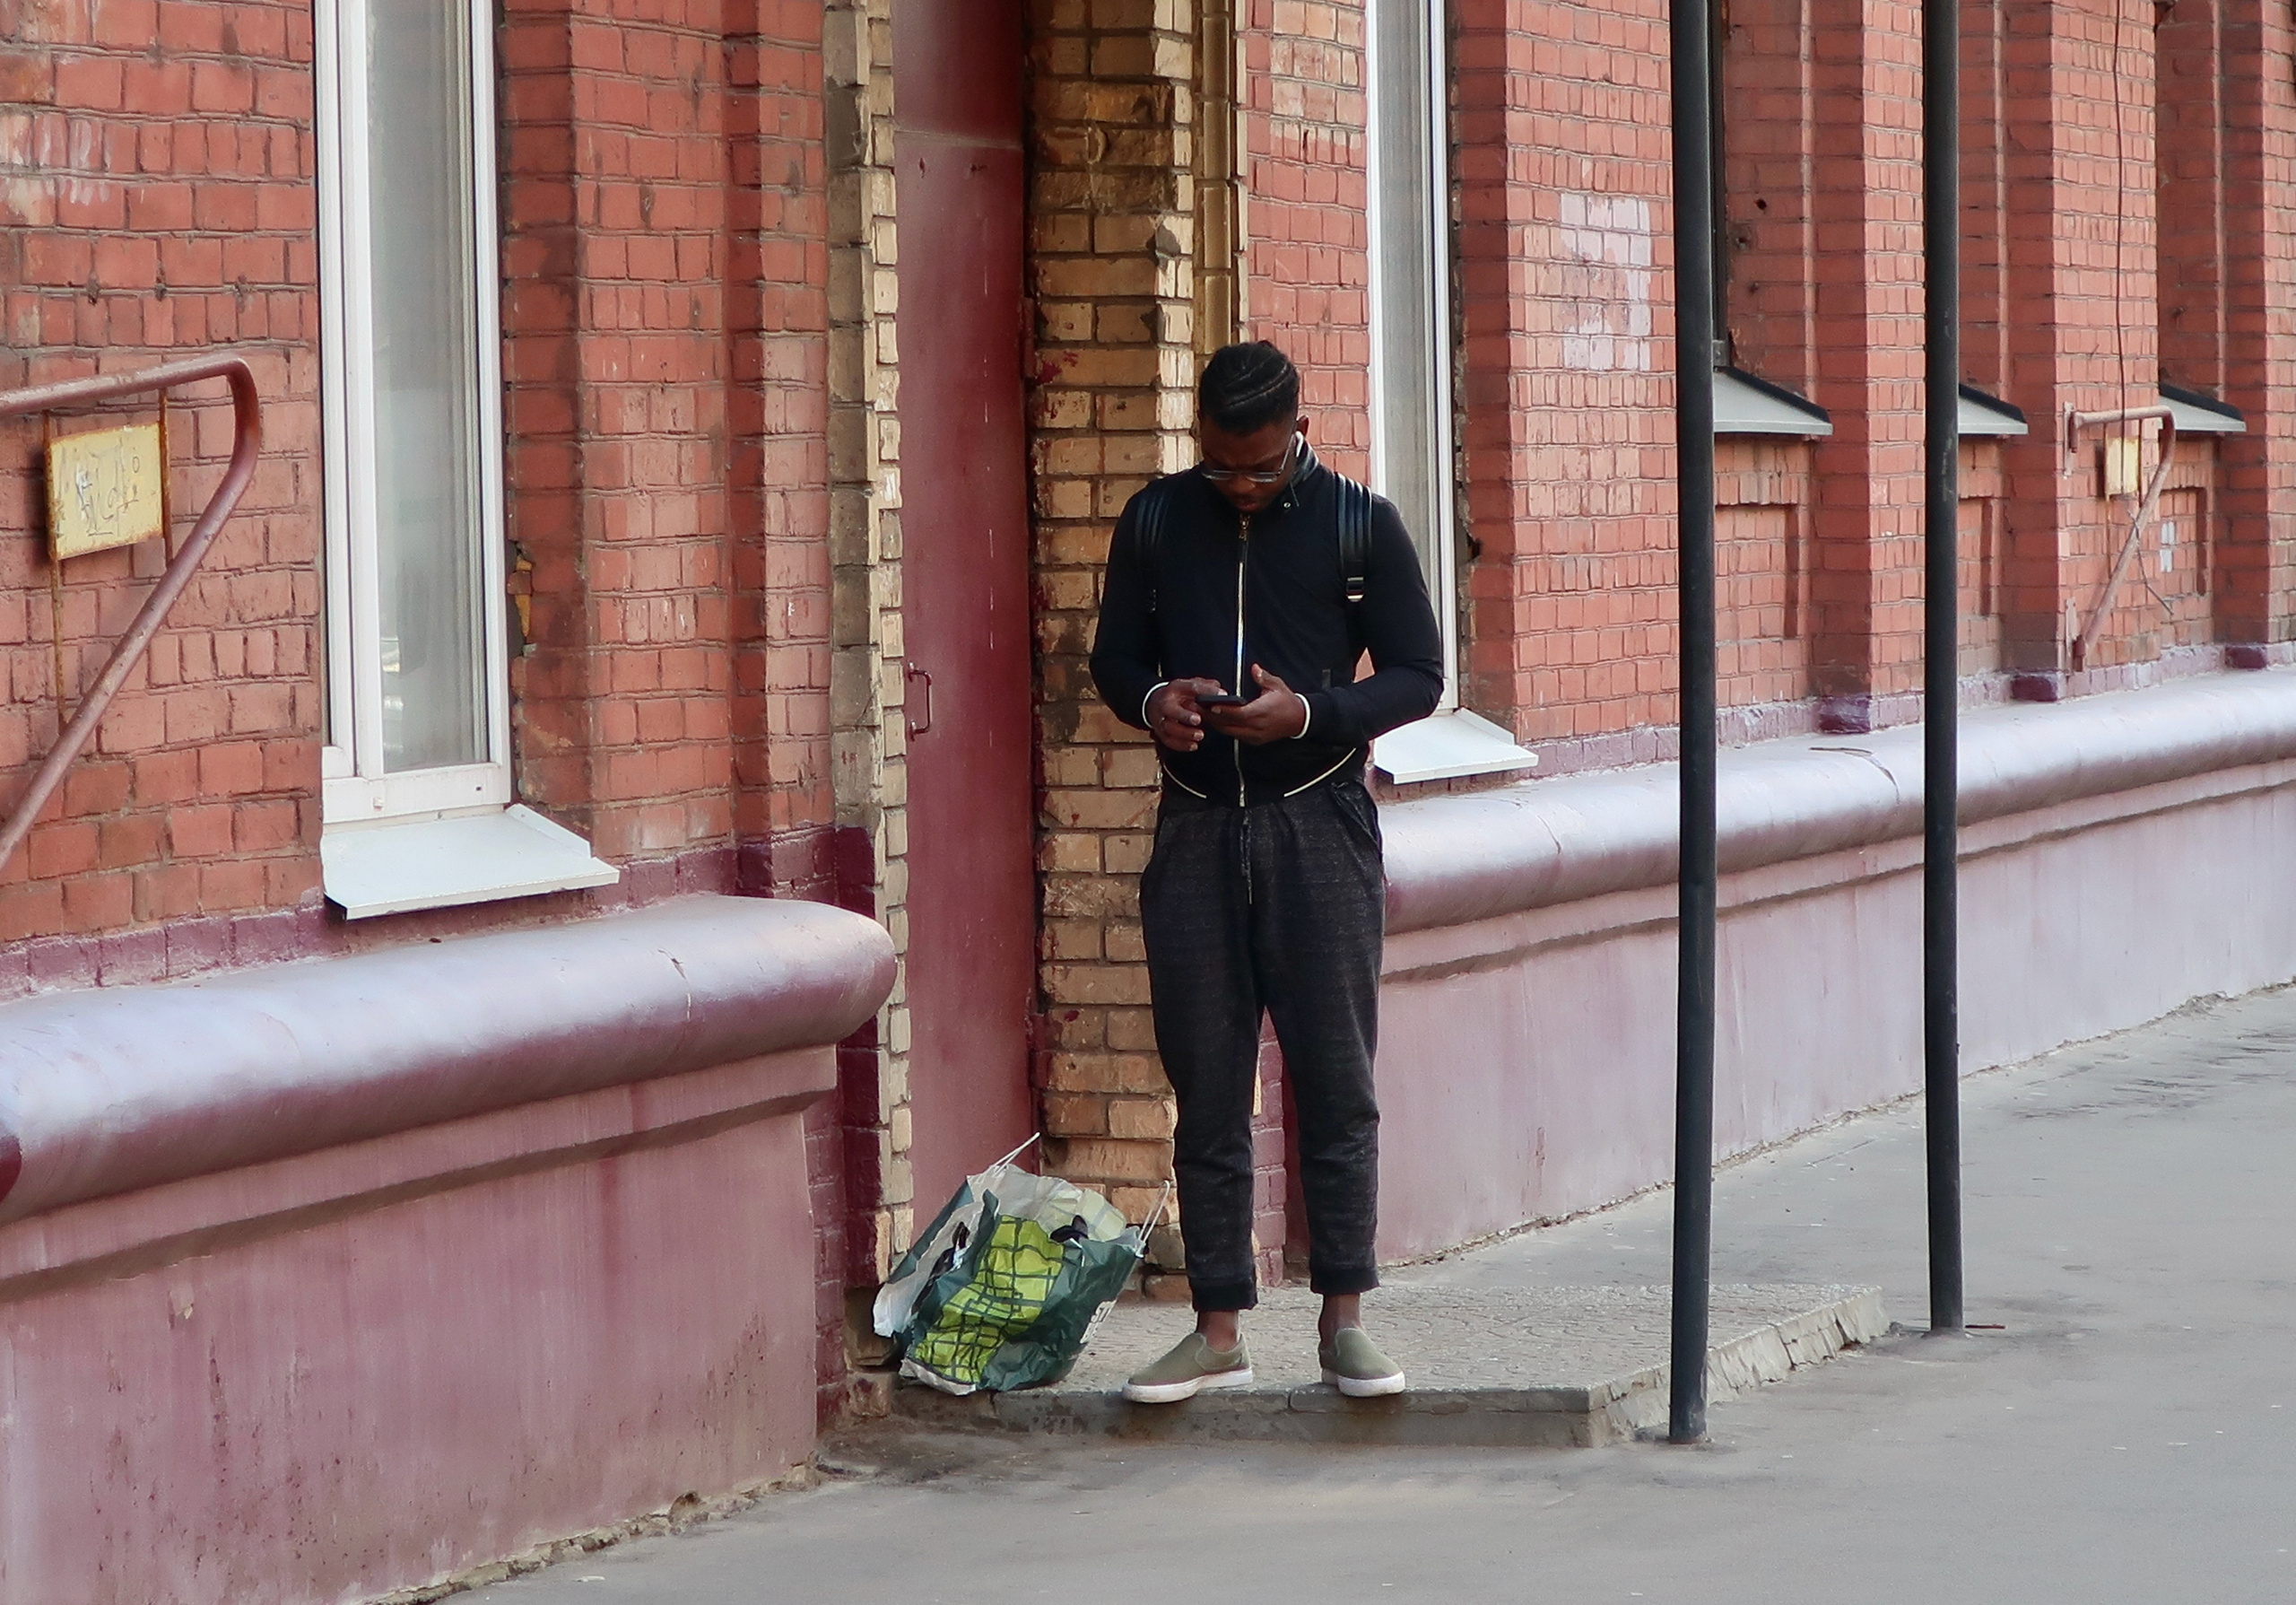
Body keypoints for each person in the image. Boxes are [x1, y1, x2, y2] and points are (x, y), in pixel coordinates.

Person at [1089, 340, 1444, 1403]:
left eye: (1259, 463)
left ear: (1299, 426)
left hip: (1319, 821)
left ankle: (1343, 1320)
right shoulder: (1155, 519)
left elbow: (1420, 674)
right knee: (1204, 1079)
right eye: (1221, 463)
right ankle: (1216, 1327)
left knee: (1336, 1078)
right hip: (1195, 826)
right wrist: (1152, 702)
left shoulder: (1358, 524)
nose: (1239, 482)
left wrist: (1313, 713)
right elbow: (1113, 657)